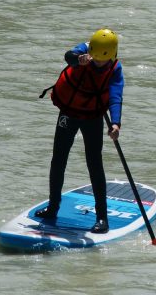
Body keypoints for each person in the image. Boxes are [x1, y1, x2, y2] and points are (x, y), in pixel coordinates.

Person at [37, 28, 124, 233]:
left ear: (112, 55)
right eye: (96, 59)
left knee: (94, 164)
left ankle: (102, 218)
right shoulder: (85, 50)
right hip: (68, 112)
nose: (99, 63)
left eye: (103, 61)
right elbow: (68, 56)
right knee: (58, 159)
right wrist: (79, 59)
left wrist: (115, 123)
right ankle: (53, 207)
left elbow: (115, 96)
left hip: (93, 117)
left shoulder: (115, 68)